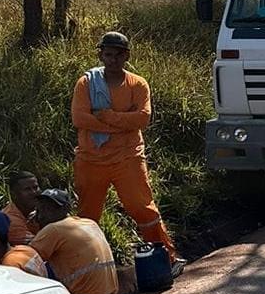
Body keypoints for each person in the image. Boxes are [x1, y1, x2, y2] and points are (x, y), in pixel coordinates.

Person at [71, 31, 184, 277]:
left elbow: (142, 118)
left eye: (117, 55)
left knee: (143, 208)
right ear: (101, 54)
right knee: (87, 217)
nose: (112, 60)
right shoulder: (87, 83)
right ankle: (85, 268)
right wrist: (122, 123)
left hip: (128, 157)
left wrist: (107, 116)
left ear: (126, 56)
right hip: (91, 158)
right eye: (107, 54)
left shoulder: (137, 83)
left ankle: (167, 258)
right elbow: (79, 118)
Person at [29, 189, 118, 294]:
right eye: (40, 208)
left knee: (32, 267)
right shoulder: (89, 223)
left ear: (65, 209)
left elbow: (25, 258)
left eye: (49, 208)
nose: (43, 213)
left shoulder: (54, 229)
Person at [3, 171, 41, 245]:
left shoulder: (42, 210)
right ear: (14, 194)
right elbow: (38, 246)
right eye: (27, 189)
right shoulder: (9, 220)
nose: (34, 192)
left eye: (35, 187)